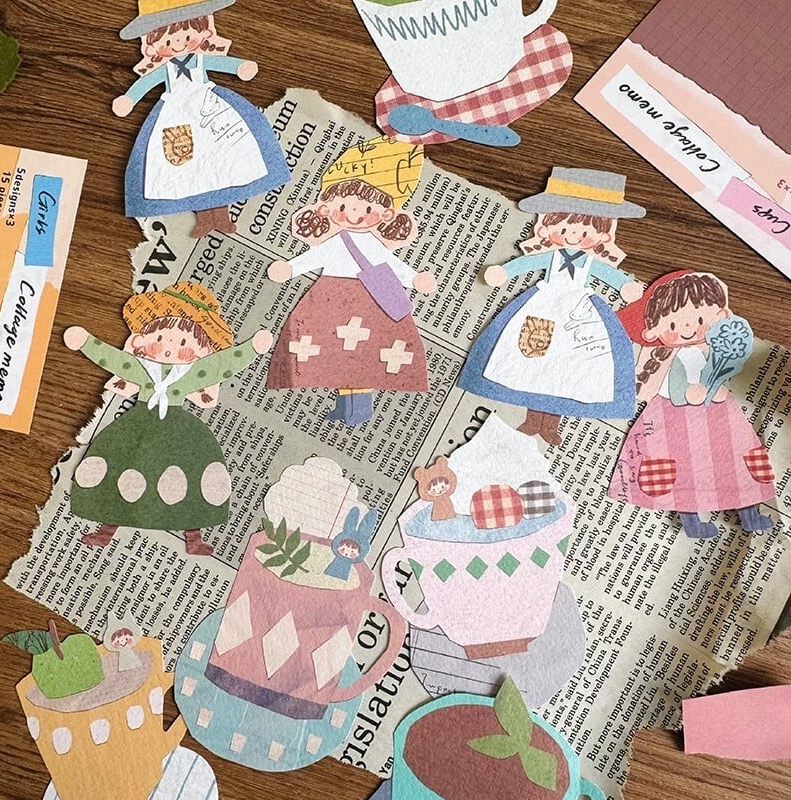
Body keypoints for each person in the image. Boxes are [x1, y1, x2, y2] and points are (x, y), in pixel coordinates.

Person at [65, 282, 273, 555]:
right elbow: (115, 360)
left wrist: (252, 349)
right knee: (119, 469)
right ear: (142, 341)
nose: (170, 347)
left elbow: (220, 366)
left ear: (201, 351)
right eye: (161, 337)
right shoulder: (141, 368)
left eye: (184, 343)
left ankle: (194, 538)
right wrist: (86, 343)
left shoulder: (191, 374)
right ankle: (106, 531)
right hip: (137, 424)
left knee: (190, 475)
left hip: (180, 430)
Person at [460, 168, 645, 445]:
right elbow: (528, 263)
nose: (574, 236)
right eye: (566, 229)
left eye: (585, 232)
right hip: (543, 308)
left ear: (602, 234)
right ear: (547, 226)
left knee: (568, 369)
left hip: (580, 316)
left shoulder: (589, 262)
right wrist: (505, 272)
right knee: (534, 362)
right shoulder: (552, 256)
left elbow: (609, 274)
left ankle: (550, 425)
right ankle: (532, 420)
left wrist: (624, 285)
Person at [266, 137, 436, 425]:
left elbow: (392, 265)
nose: (356, 214)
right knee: (337, 354)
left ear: (384, 215)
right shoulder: (335, 241)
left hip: (367, 300)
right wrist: (291, 268)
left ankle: (360, 409)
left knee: (364, 355)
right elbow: (313, 257)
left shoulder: (371, 243)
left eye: (367, 210)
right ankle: (347, 407)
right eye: (345, 206)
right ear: (327, 208)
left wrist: (415, 278)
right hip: (330, 297)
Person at [608, 270, 776, 539]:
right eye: (674, 325)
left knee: (733, 462)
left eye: (699, 320)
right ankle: (693, 522)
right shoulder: (672, 359)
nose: (687, 330)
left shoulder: (714, 348)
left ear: (720, 316)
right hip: (676, 418)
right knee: (684, 471)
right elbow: (676, 387)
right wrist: (687, 392)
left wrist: (716, 387)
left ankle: (750, 516)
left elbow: (723, 372)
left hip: (719, 416)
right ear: (654, 330)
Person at [113, 0, 290, 238]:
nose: (179, 44)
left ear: (202, 31)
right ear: (153, 43)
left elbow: (223, 63)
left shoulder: (200, 60)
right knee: (189, 169)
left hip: (211, 111)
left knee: (221, 160)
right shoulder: (165, 69)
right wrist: (129, 99)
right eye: (169, 41)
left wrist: (240, 67)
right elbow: (146, 82)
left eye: (187, 37)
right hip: (176, 119)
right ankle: (205, 220)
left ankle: (222, 217)